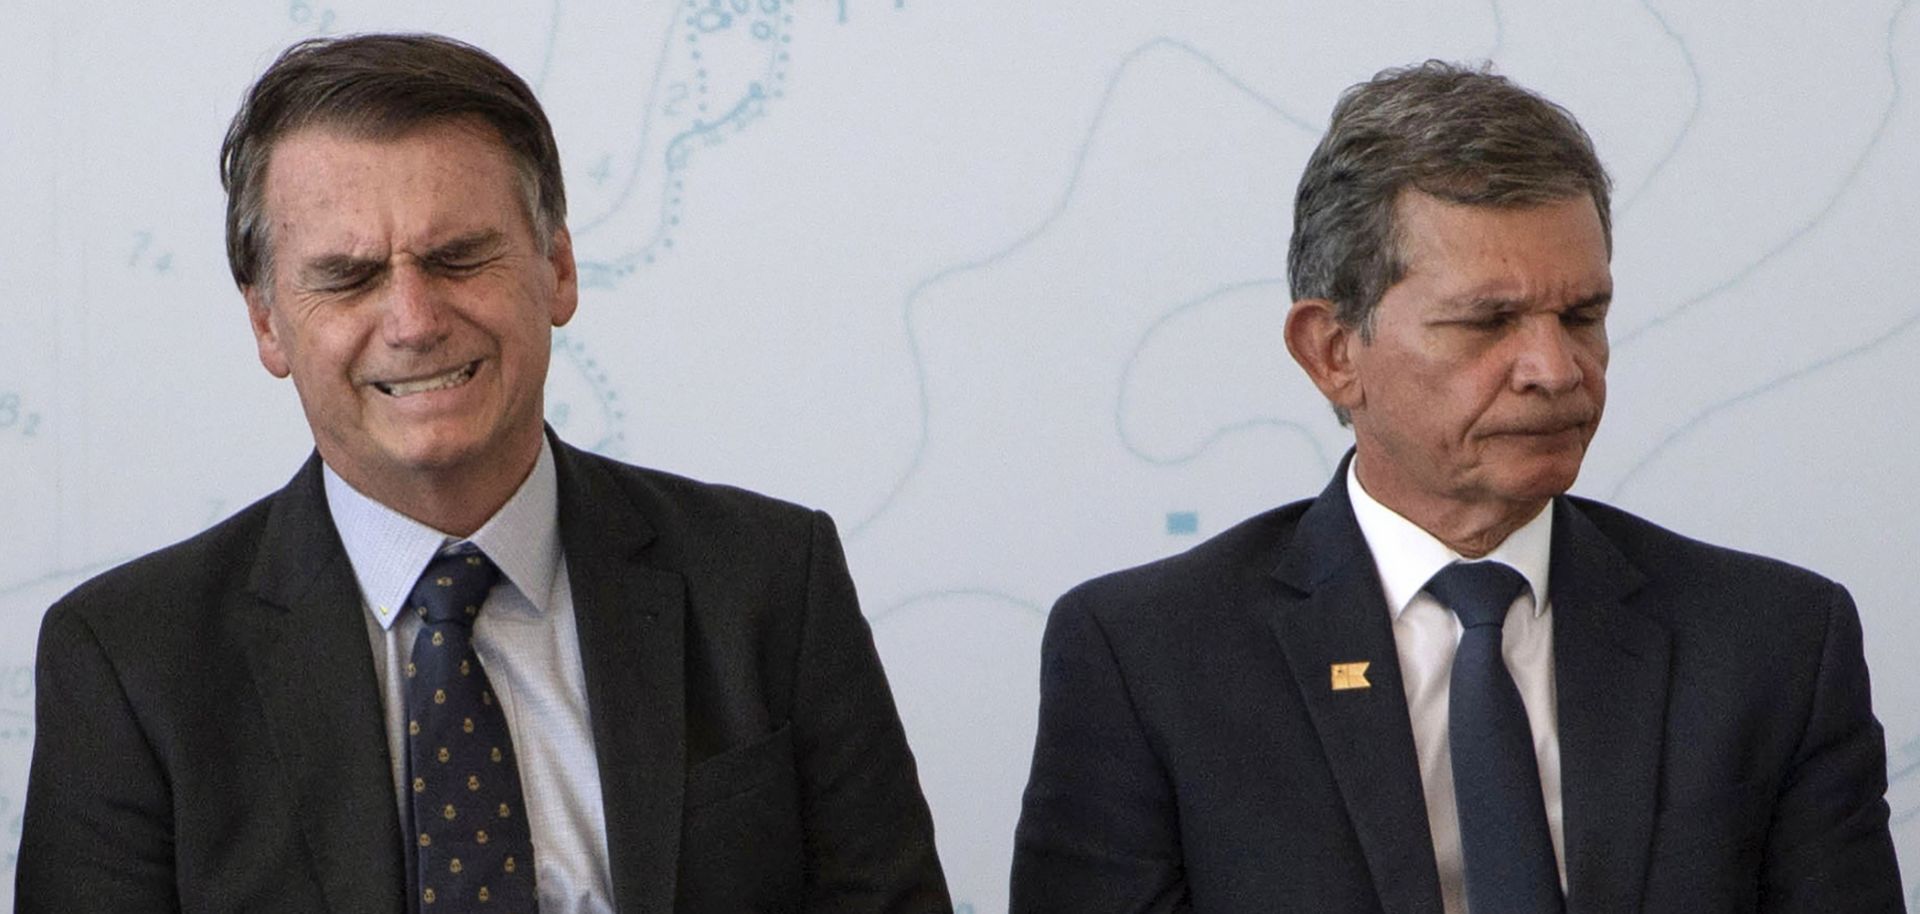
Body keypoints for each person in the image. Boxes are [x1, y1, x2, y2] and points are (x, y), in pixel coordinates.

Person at [16, 33, 950, 914]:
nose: (415, 320)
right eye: (348, 278)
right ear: (267, 323)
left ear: (557, 269)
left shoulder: (774, 582)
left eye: (459, 257)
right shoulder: (130, 662)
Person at [1010, 61, 1903, 913]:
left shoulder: (1774, 645)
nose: (1556, 369)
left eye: (1582, 316)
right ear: (1332, 352)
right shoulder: (1149, 660)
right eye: (1489, 322)